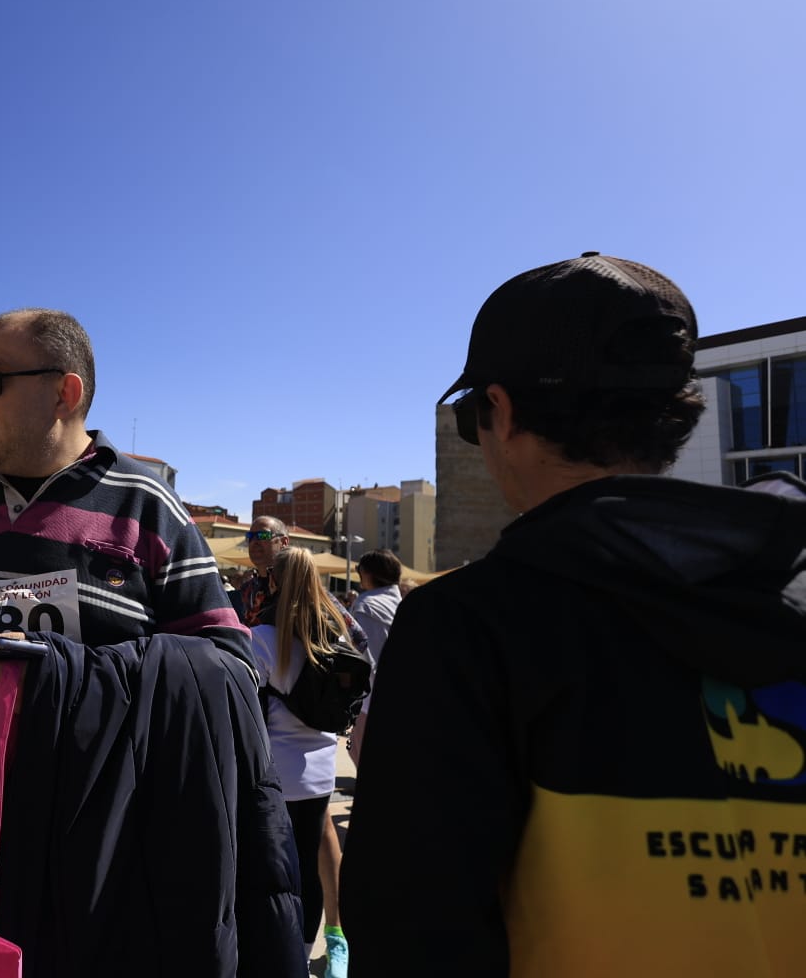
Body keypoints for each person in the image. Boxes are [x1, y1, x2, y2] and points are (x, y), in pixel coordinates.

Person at [340, 253, 806, 975]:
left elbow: (411, 930)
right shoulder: (785, 589)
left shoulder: (466, 627)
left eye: (473, 422)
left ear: (501, 410)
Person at [0, 308, 307, 976]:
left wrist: (59, 675)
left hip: (88, 851)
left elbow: (228, 675)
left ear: (66, 391)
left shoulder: (150, 510)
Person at [250, 548, 356, 978]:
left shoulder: (261, 638)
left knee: (273, 876)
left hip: (275, 774)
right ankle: (309, 952)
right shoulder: (335, 636)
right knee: (310, 870)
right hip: (319, 773)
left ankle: (282, 956)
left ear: (272, 581)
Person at [345, 548, 402, 765]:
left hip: (371, 702)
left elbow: (364, 658)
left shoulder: (366, 606)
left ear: (368, 573)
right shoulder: (403, 602)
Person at [239, 514, 290, 626]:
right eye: (250, 536)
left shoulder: (297, 584)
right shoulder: (247, 590)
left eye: (263, 535)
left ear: (284, 543)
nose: (254, 541)